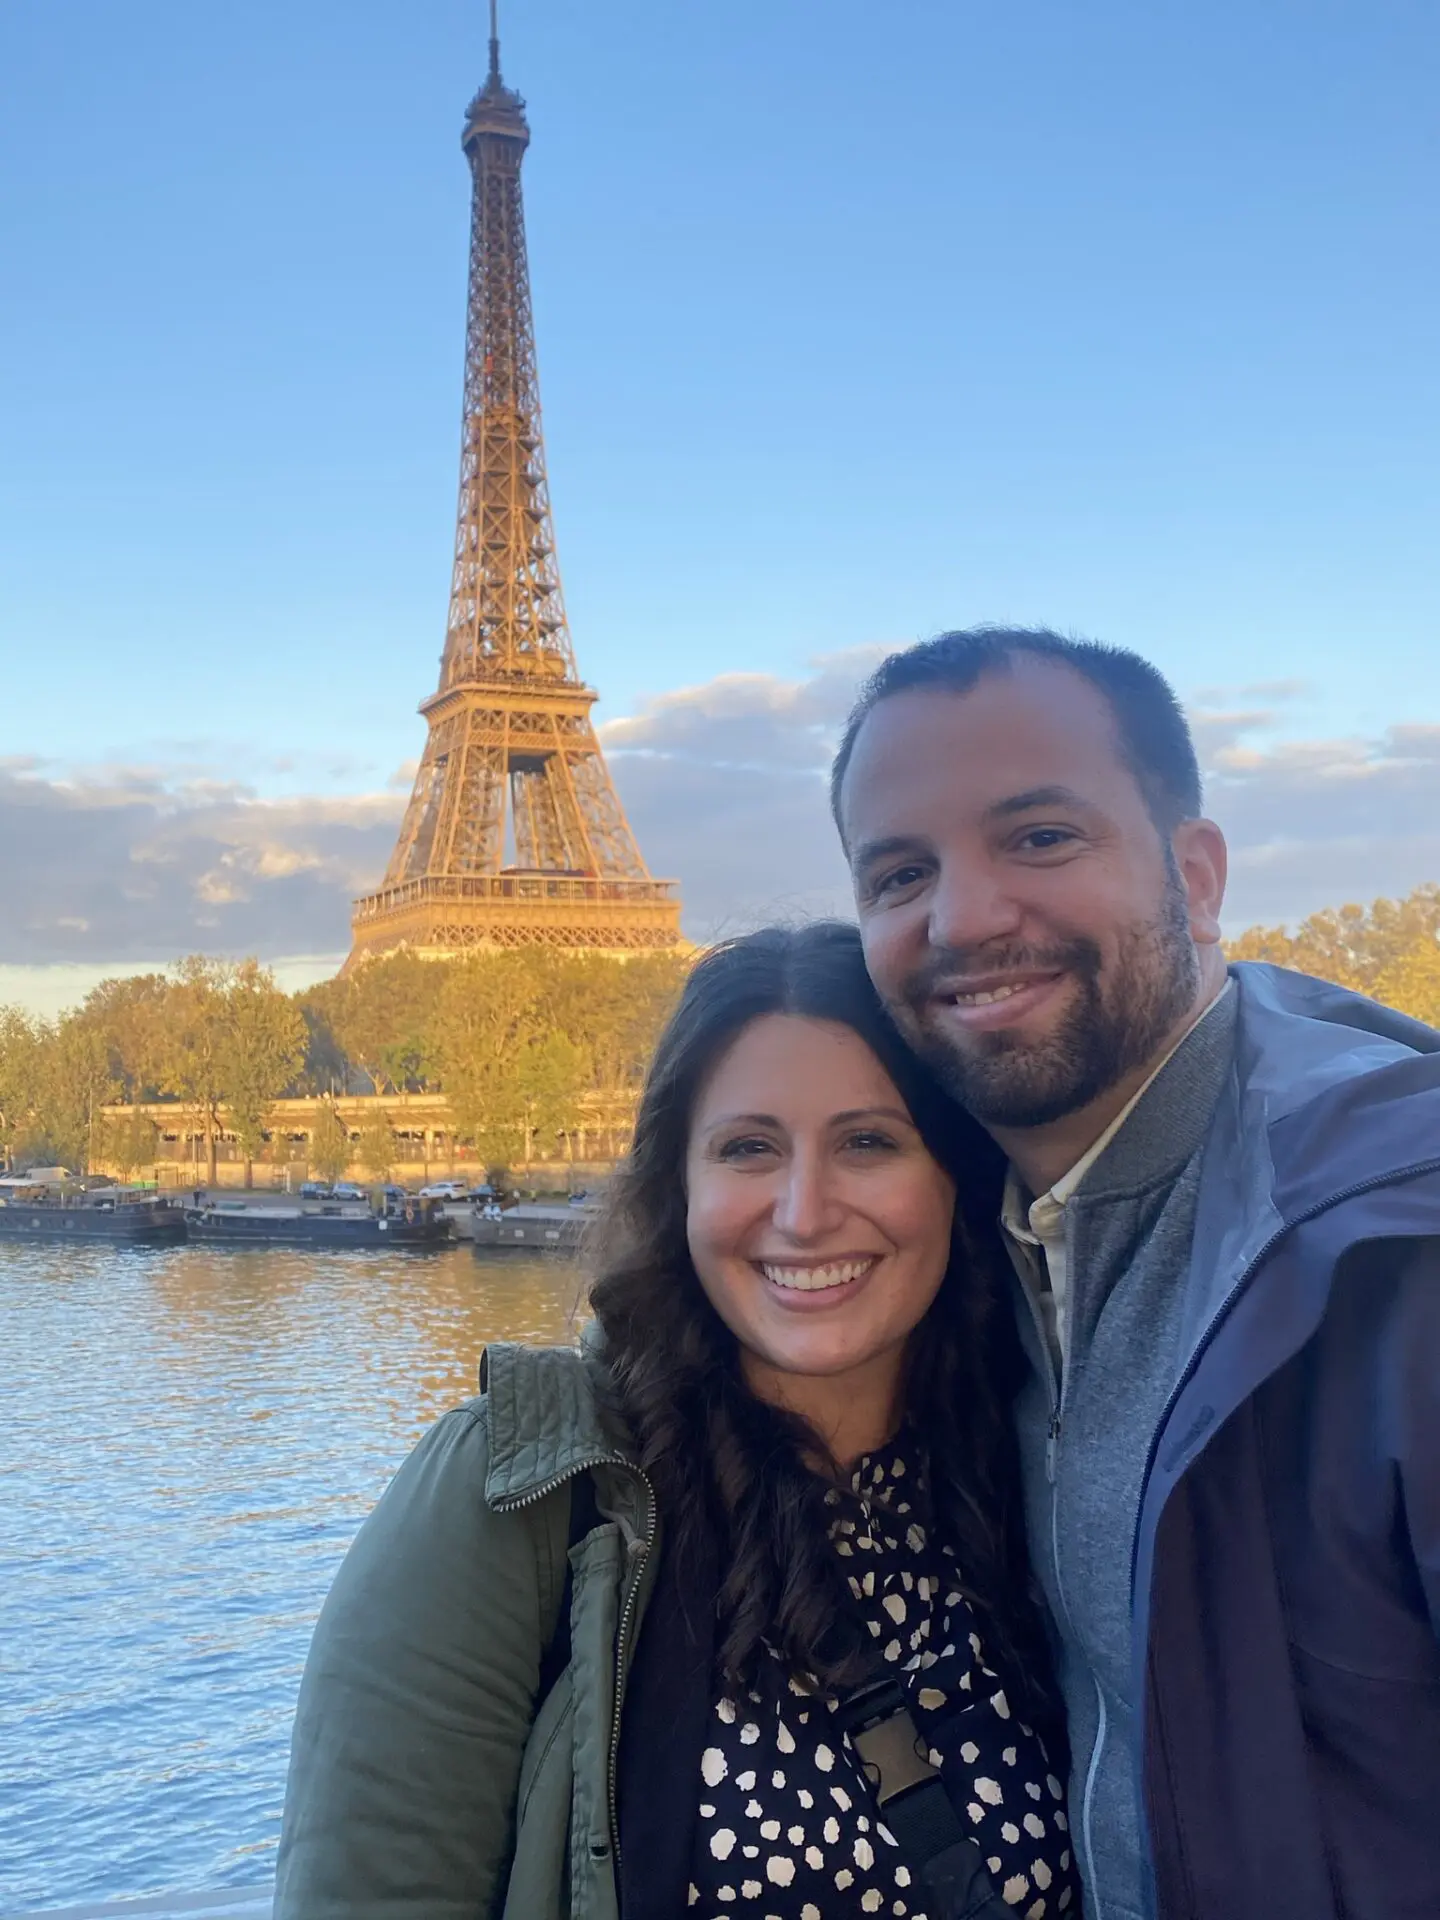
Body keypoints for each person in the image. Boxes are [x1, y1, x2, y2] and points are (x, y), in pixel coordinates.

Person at [274, 923, 1079, 1920]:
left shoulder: (1030, 1477)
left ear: (952, 1180)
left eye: (868, 1142)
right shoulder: (519, 1494)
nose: (804, 1209)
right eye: (748, 1148)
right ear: (680, 1189)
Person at [832, 624, 1440, 1920]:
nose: (966, 916)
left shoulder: (1403, 1245)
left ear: (1197, 874)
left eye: (1040, 836)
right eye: (899, 872)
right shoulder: (967, 1243)